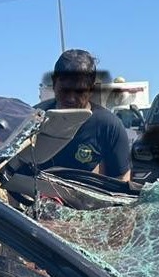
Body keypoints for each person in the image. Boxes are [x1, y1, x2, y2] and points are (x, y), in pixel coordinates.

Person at [37, 49, 131, 181]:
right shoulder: (34, 121)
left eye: (79, 91)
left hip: (86, 200)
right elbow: (14, 177)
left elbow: (121, 181)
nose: (70, 98)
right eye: (65, 89)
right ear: (54, 83)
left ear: (92, 88)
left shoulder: (109, 126)